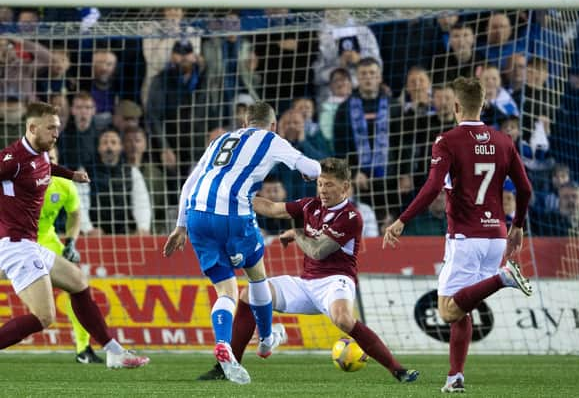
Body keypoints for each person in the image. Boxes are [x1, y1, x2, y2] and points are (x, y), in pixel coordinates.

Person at [198, 157, 418, 383]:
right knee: (248, 294)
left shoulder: (351, 217)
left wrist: (297, 234)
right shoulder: (310, 205)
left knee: (343, 320)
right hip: (305, 284)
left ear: (345, 187)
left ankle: (397, 369)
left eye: (329, 185)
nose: (323, 190)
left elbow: (318, 251)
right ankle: (226, 367)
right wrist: (237, 199)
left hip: (336, 281)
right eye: (320, 184)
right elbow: (272, 208)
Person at [383, 77, 533, 393]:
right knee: (461, 311)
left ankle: (504, 278)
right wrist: (517, 225)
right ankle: (455, 377)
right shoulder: (504, 140)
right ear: (483, 105)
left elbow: (433, 187)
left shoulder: (447, 140)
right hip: (496, 236)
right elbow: (525, 188)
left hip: (465, 237)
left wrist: (402, 220)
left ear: (455, 106)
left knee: (447, 309)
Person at [163, 102, 321, 385]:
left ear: (245, 121)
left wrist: (180, 226)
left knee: (226, 290)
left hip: (197, 214)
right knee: (257, 275)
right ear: (272, 125)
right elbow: (310, 166)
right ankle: (266, 339)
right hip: (233, 215)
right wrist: (313, 172)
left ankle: (224, 342)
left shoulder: (220, 139)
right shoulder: (271, 139)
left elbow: (188, 184)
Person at [0, 102, 148, 368]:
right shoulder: (12, 159)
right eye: (51, 128)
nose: (56, 133)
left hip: (30, 244)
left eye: (57, 128)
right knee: (44, 317)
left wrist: (71, 175)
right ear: (32, 128)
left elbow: (45, 168)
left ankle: (113, 351)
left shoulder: (42, 154)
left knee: (78, 281)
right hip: (14, 245)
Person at [37, 146, 100, 363]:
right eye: (43, 159)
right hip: (11, 241)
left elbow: (75, 215)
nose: (47, 164)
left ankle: (83, 349)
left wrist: (71, 242)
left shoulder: (65, 185)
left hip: (46, 240)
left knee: (77, 287)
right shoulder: (17, 181)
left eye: (52, 159)